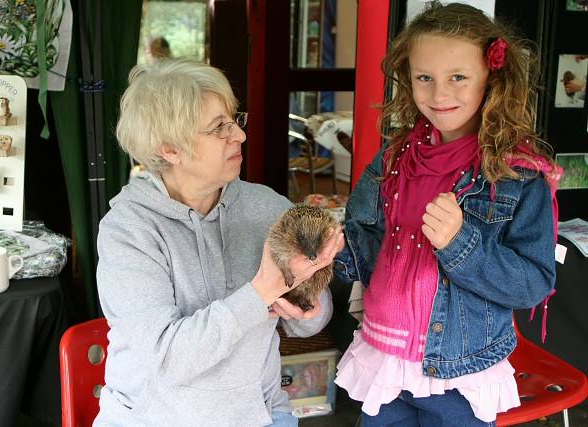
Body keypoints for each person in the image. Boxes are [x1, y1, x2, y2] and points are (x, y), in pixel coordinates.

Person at [333, 3, 560, 426]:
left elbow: (534, 284)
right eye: (425, 78)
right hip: (384, 359)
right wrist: (328, 245)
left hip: (459, 373)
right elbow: (363, 242)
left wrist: (461, 246)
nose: (439, 95)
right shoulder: (393, 158)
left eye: (458, 77)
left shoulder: (518, 175)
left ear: (492, 76)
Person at [94, 59, 344, 426]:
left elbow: (310, 323)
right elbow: (167, 359)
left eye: (234, 120)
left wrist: (307, 298)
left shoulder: (268, 207)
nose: (240, 136)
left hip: (260, 414)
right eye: (218, 128)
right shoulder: (128, 231)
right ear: (169, 149)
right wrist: (261, 291)